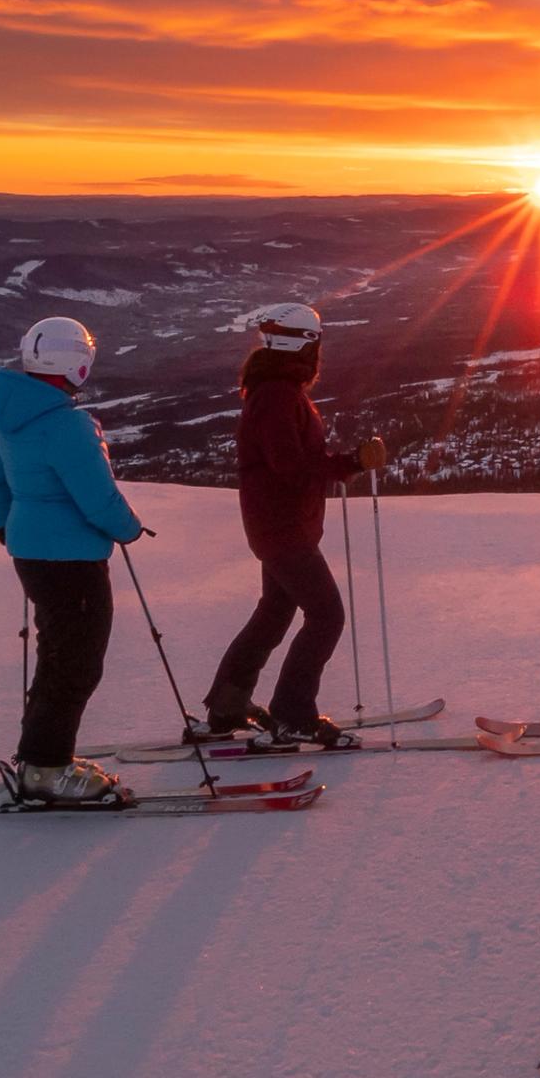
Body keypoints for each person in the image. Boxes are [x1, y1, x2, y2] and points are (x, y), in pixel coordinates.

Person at [0, 314, 147, 809]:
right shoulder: (67, 424)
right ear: (76, 365)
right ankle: (48, 770)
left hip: (30, 553)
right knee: (76, 662)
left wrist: (7, 525)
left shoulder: (14, 417)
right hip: (72, 559)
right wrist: (130, 529)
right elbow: (97, 498)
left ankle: (40, 760)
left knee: (56, 656)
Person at [201, 301, 388, 746]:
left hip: (278, 526)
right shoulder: (279, 395)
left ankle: (228, 705)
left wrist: (344, 464)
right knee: (327, 615)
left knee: (274, 613)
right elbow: (289, 465)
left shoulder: (273, 390)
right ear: (305, 346)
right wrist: (350, 463)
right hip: (283, 529)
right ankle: (292, 712)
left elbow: (288, 462)